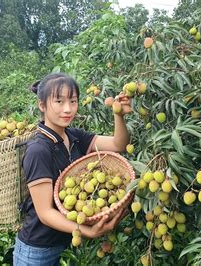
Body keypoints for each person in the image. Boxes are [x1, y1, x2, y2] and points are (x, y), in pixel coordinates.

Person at [13, 73, 131, 265]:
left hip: (65, 244)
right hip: (37, 250)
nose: (68, 109)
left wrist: (118, 115)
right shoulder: (39, 150)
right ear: (42, 105)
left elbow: (119, 144)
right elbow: (45, 213)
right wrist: (87, 231)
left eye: (73, 101)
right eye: (58, 101)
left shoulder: (75, 136)